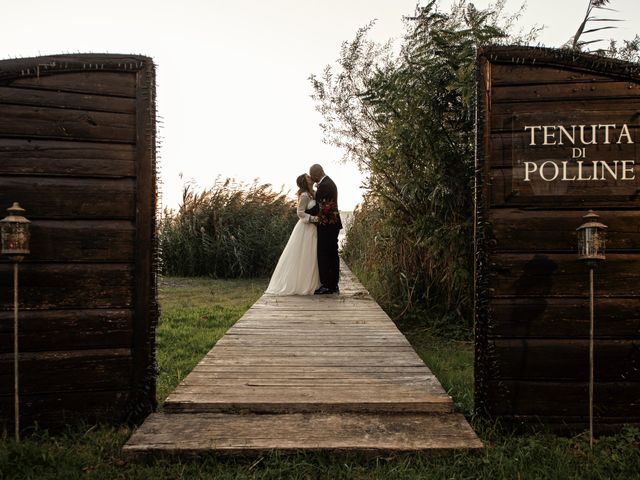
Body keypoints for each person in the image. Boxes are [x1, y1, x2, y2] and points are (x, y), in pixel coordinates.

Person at [265, 173, 321, 295]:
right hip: (306, 228)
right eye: (307, 177)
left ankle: (313, 282)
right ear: (305, 182)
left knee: (312, 254)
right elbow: (300, 213)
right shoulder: (305, 195)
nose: (310, 177)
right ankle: (301, 284)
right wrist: (315, 219)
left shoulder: (314, 193)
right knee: (305, 253)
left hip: (313, 228)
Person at [305, 164, 342, 294]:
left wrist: (305, 212)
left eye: (312, 174)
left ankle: (328, 285)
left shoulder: (325, 185)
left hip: (328, 225)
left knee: (325, 255)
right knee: (332, 254)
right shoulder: (328, 182)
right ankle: (333, 284)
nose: (311, 177)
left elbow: (319, 208)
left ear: (317, 173)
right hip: (332, 224)